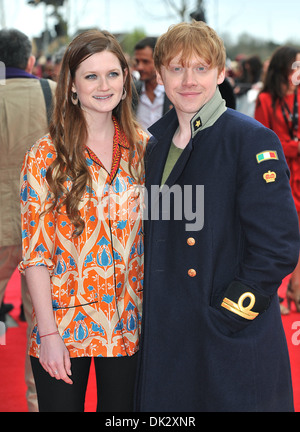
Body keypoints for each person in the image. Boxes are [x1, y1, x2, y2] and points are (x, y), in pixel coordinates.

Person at [135, 21, 300, 412]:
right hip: (168, 337)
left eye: (201, 68)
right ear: (160, 74)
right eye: (176, 68)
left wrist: (229, 314)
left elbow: (277, 246)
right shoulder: (152, 142)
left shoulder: (250, 139)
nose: (188, 80)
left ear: (221, 73)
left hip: (227, 340)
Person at [19, 30, 148, 412]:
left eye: (112, 74)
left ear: (126, 81)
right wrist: (47, 333)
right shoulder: (45, 155)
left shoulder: (143, 149)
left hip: (128, 328)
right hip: (63, 328)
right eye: (91, 76)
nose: (103, 85)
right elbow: (35, 254)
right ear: (72, 86)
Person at [0, 28, 56, 412]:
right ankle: (40, 404)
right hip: (44, 226)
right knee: (44, 324)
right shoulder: (54, 93)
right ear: (31, 61)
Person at [255, 46, 300, 314]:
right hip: (278, 175)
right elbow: (263, 143)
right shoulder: (265, 100)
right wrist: (294, 148)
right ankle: (277, 293)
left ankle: (296, 286)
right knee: (281, 234)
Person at [133, 37, 172, 133]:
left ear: (160, 62)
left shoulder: (174, 93)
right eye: (137, 62)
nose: (139, 67)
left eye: (145, 62)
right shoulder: (131, 91)